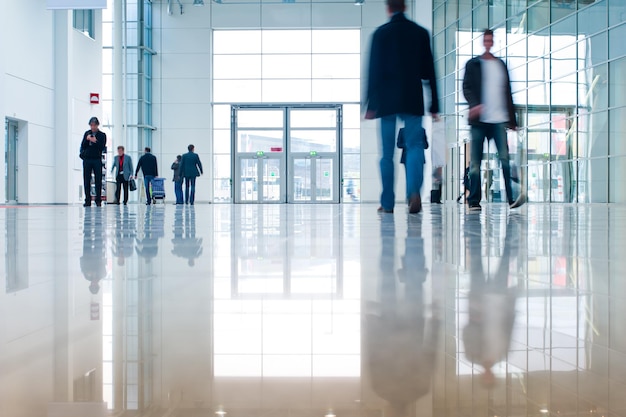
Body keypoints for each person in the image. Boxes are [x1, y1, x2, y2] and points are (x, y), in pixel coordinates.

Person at [365, 0, 439, 214]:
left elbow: (373, 71)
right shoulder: (420, 33)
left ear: (388, 8)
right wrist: (434, 104)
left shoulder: (380, 34)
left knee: (387, 154)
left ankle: (387, 203)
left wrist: (370, 103)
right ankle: (413, 192)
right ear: (405, 7)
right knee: (415, 146)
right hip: (412, 98)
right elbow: (430, 72)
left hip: (386, 102)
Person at [462, 29, 526, 211]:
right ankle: (474, 200)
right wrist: (474, 104)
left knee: (505, 160)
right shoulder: (473, 64)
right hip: (479, 121)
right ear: (483, 41)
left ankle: (512, 198)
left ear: (493, 42)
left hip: (499, 121)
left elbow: (507, 93)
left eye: (491, 39)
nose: (488, 42)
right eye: (486, 39)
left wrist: (512, 121)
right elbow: (466, 88)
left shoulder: (501, 65)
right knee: (475, 163)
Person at [80, 117, 106, 207]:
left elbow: (101, 147)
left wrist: (95, 141)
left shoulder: (102, 135)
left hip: (96, 159)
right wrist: (87, 140)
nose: (93, 127)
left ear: (97, 125)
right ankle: (87, 200)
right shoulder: (87, 133)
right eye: (91, 125)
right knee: (87, 180)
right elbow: (83, 145)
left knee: (98, 179)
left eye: (94, 125)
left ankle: (98, 200)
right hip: (87, 159)